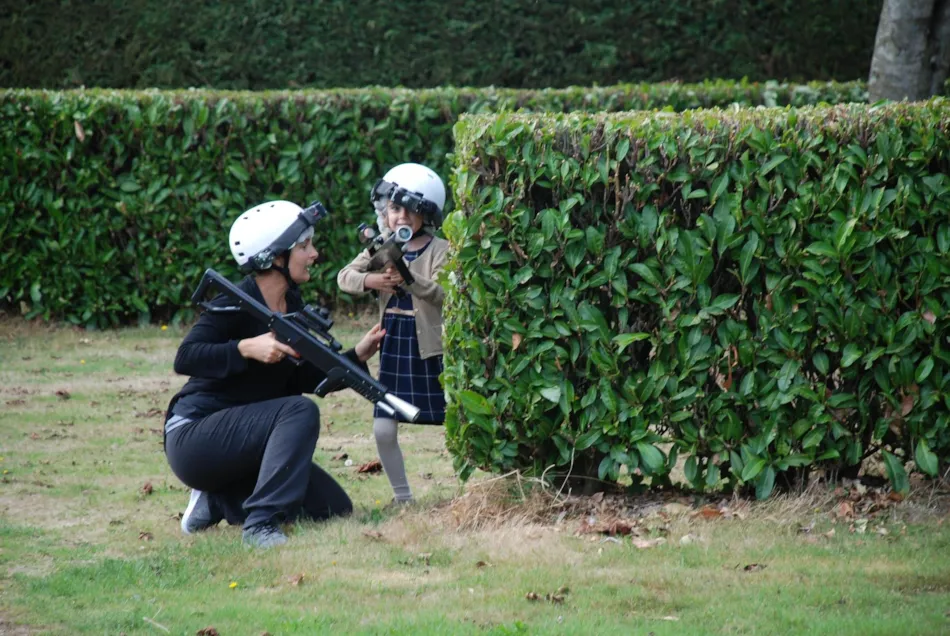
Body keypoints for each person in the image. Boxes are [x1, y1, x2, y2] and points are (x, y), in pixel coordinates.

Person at [164, 199, 386, 548]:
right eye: (304, 246)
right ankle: (260, 525)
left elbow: (302, 379)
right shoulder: (235, 303)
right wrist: (244, 348)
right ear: (273, 258)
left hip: (246, 446)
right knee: (299, 410)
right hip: (194, 437)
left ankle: (216, 501)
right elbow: (186, 357)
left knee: (333, 508)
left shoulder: (292, 307)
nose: (314, 254)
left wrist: (355, 356)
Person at [337, 163, 449, 505]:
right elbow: (345, 277)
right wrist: (372, 279)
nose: (400, 217)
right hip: (394, 343)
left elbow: (443, 294)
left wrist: (409, 280)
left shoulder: (439, 249)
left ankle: (467, 490)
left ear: (426, 214)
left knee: (451, 418)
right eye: (394, 208)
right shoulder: (380, 245)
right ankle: (402, 497)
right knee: (384, 427)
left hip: (429, 347)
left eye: (410, 210)